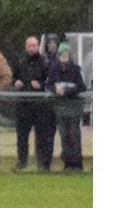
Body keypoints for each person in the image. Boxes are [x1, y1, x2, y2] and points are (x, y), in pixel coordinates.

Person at [12, 36, 54, 171]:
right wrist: (16, 82)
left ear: (38, 46)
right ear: (26, 47)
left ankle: (42, 164)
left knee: (41, 135)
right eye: (29, 45)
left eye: (34, 45)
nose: (32, 48)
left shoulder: (44, 62)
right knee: (22, 136)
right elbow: (14, 77)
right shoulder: (20, 61)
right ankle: (22, 162)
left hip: (39, 106)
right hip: (23, 104)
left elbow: (49, 82)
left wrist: (40, 85)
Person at [51, 43, 86, 171]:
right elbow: (49, 85)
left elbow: (82, 87)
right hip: (60, 109)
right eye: (62, 54)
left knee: (74, 136)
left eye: (66, 53)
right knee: (64, 136)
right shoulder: (54, 69)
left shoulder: (76, 69)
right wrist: (55, 90)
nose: (64, 56)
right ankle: (67, 164)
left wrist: (66, 91)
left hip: (74, 109)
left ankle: (77, 165)